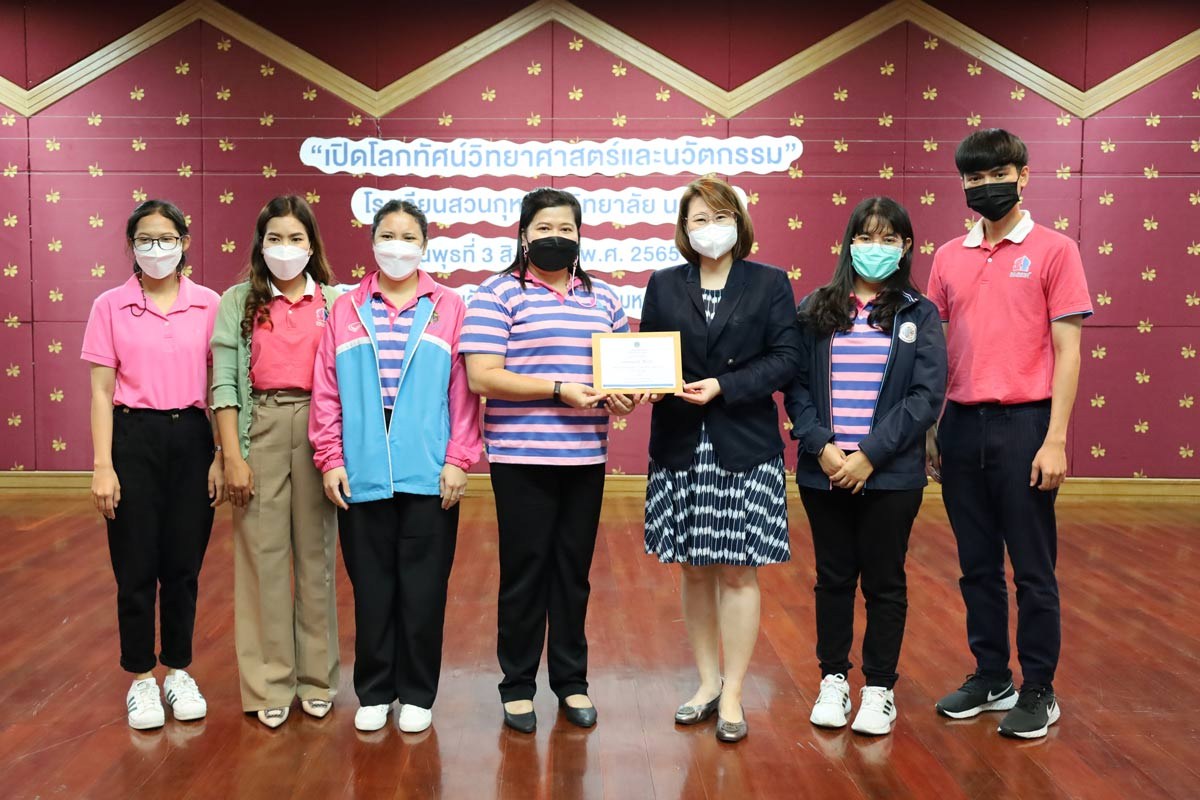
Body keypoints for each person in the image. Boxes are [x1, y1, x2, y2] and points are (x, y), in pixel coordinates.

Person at [928, 129, 1092, 739]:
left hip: (1026, 424)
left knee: (1031, 568)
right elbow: (935, 352)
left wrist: (1056, 439)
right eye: (973, 177)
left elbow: (1068, 351)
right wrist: (932, 426)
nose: (985, 185)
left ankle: (1039, 688)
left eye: (997, 173)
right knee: (975, 565)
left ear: (1023, 175)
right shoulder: (948, 255)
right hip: (960, 425)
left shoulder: (1056, 250)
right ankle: (991, 675)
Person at [461, 188, 635, 733]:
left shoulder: (604, 299)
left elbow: (623, 374)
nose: (555, 237)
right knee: (525, 573)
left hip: (585, 458)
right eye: (544, 228)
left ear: (580, 236)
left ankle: (571, 681)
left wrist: (627, 395)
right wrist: (558, 389)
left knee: (573, 575)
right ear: (523, 235)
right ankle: (517, 686)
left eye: (566, 228)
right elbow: (482, 376)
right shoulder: (496, 294)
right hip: (521, 458)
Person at [309, 199, 481, 733]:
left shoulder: (449, 306)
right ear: (372, 241)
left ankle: (417, 693)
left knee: (424, 588)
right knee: (371, 586)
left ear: (424, 246)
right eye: (388, 235)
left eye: (409, 237)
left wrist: (458, 458)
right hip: (361, 465)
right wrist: (330, 457)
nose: (398, 246)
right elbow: (326, 389)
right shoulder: (346, 308)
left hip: (428, 467)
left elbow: (463, 392)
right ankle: (376, 690)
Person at [640, 177, 800, 743]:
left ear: (739, 222)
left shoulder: (770, 282)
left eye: (720, 216)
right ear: (684, 229)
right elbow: (648, 356)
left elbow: (786, 358)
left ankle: (733, 692)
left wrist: (724, 386)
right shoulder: (663, 284)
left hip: (743, 444)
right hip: (681, 444)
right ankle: (707, 683)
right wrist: (644, 384)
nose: (711, 228)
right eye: (699, 219)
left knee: (737, 569)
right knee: (693, 566)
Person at [784, 197, 946, 736]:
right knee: (833, 578)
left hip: (890, 475)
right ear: (849, 242)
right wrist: (822, 446)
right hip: (825, 470)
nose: (876, 247)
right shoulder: (816, 307)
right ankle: (833, 680)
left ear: (905, 247)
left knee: (884, 580)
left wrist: (870, 455)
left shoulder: (918, 313)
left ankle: (879, 689)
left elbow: (925, 396)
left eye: (888, 238)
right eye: (866, 237)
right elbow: (796, 386)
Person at [83, 199, 224, 730]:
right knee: (135, 565)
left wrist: (220, 455)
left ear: (185, 242)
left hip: (191, 437)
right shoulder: (109, 305)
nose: (157, 248)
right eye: (146, 239)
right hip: (132, 438)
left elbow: (221, 386)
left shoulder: (209, 304)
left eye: (167, 238)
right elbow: (101, 392)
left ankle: (178, 671)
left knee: (183, 566)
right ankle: (141, 677)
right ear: (131, 245)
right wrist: (103, 465)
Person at [211, 195, 340, 728]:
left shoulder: (335, 301)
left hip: (319, 427)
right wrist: (231, 456)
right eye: (275, 239)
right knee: (262, 558)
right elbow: (224, 384)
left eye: (295, 238)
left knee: (317, 557)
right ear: (260, 244)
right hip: (258, 425)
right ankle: (269, 683)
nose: (285, 249)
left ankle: (317, 679)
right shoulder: (237, 300)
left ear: (312, 245)